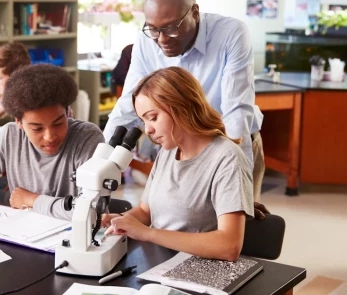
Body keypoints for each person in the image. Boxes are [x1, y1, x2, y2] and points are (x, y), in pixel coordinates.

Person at [103, 0, 266, 202]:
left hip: (230, 144)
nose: (161, 39)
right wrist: (101, 160)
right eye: (153, 29)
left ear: (195, 13)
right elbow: (127, 107)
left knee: (234, 228)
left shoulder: (231, 34)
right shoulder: (146, 40)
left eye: (171, 28)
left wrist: (239, 183)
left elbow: (236, 114)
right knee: (179, 223)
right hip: (179, 147)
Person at [102, 67, 253, 261]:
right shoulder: (168, 151)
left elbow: (229, 246)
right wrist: (118, 221)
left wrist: (147, 233)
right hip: (160, 262)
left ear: (181, 106)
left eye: (153, 117)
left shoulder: (227, 158)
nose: (147, 129)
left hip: (198, 270)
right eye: (143, 120)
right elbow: (145, 211)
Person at [0, 64, 104, 229]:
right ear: (19, 122)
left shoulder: (87, 138)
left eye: (59, 123)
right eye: (37, 128)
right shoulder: (10, 136)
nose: (50, 136)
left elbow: (92, 211)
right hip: (24, 235)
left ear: (68, 112)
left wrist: (32, 200)